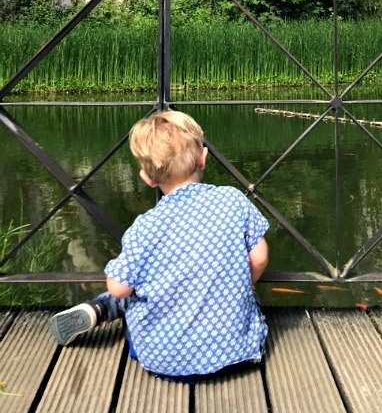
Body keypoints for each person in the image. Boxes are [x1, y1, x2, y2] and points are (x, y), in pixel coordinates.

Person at [50, 110, 269, 380]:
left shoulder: (145, 227)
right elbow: (259, 258)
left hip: (167, 360)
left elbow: (118, 287)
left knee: (132, 291)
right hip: (238, 353)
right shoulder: (233, 200)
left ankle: (99, 308)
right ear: (203, 159)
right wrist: (239, 286)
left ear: (147, 178)